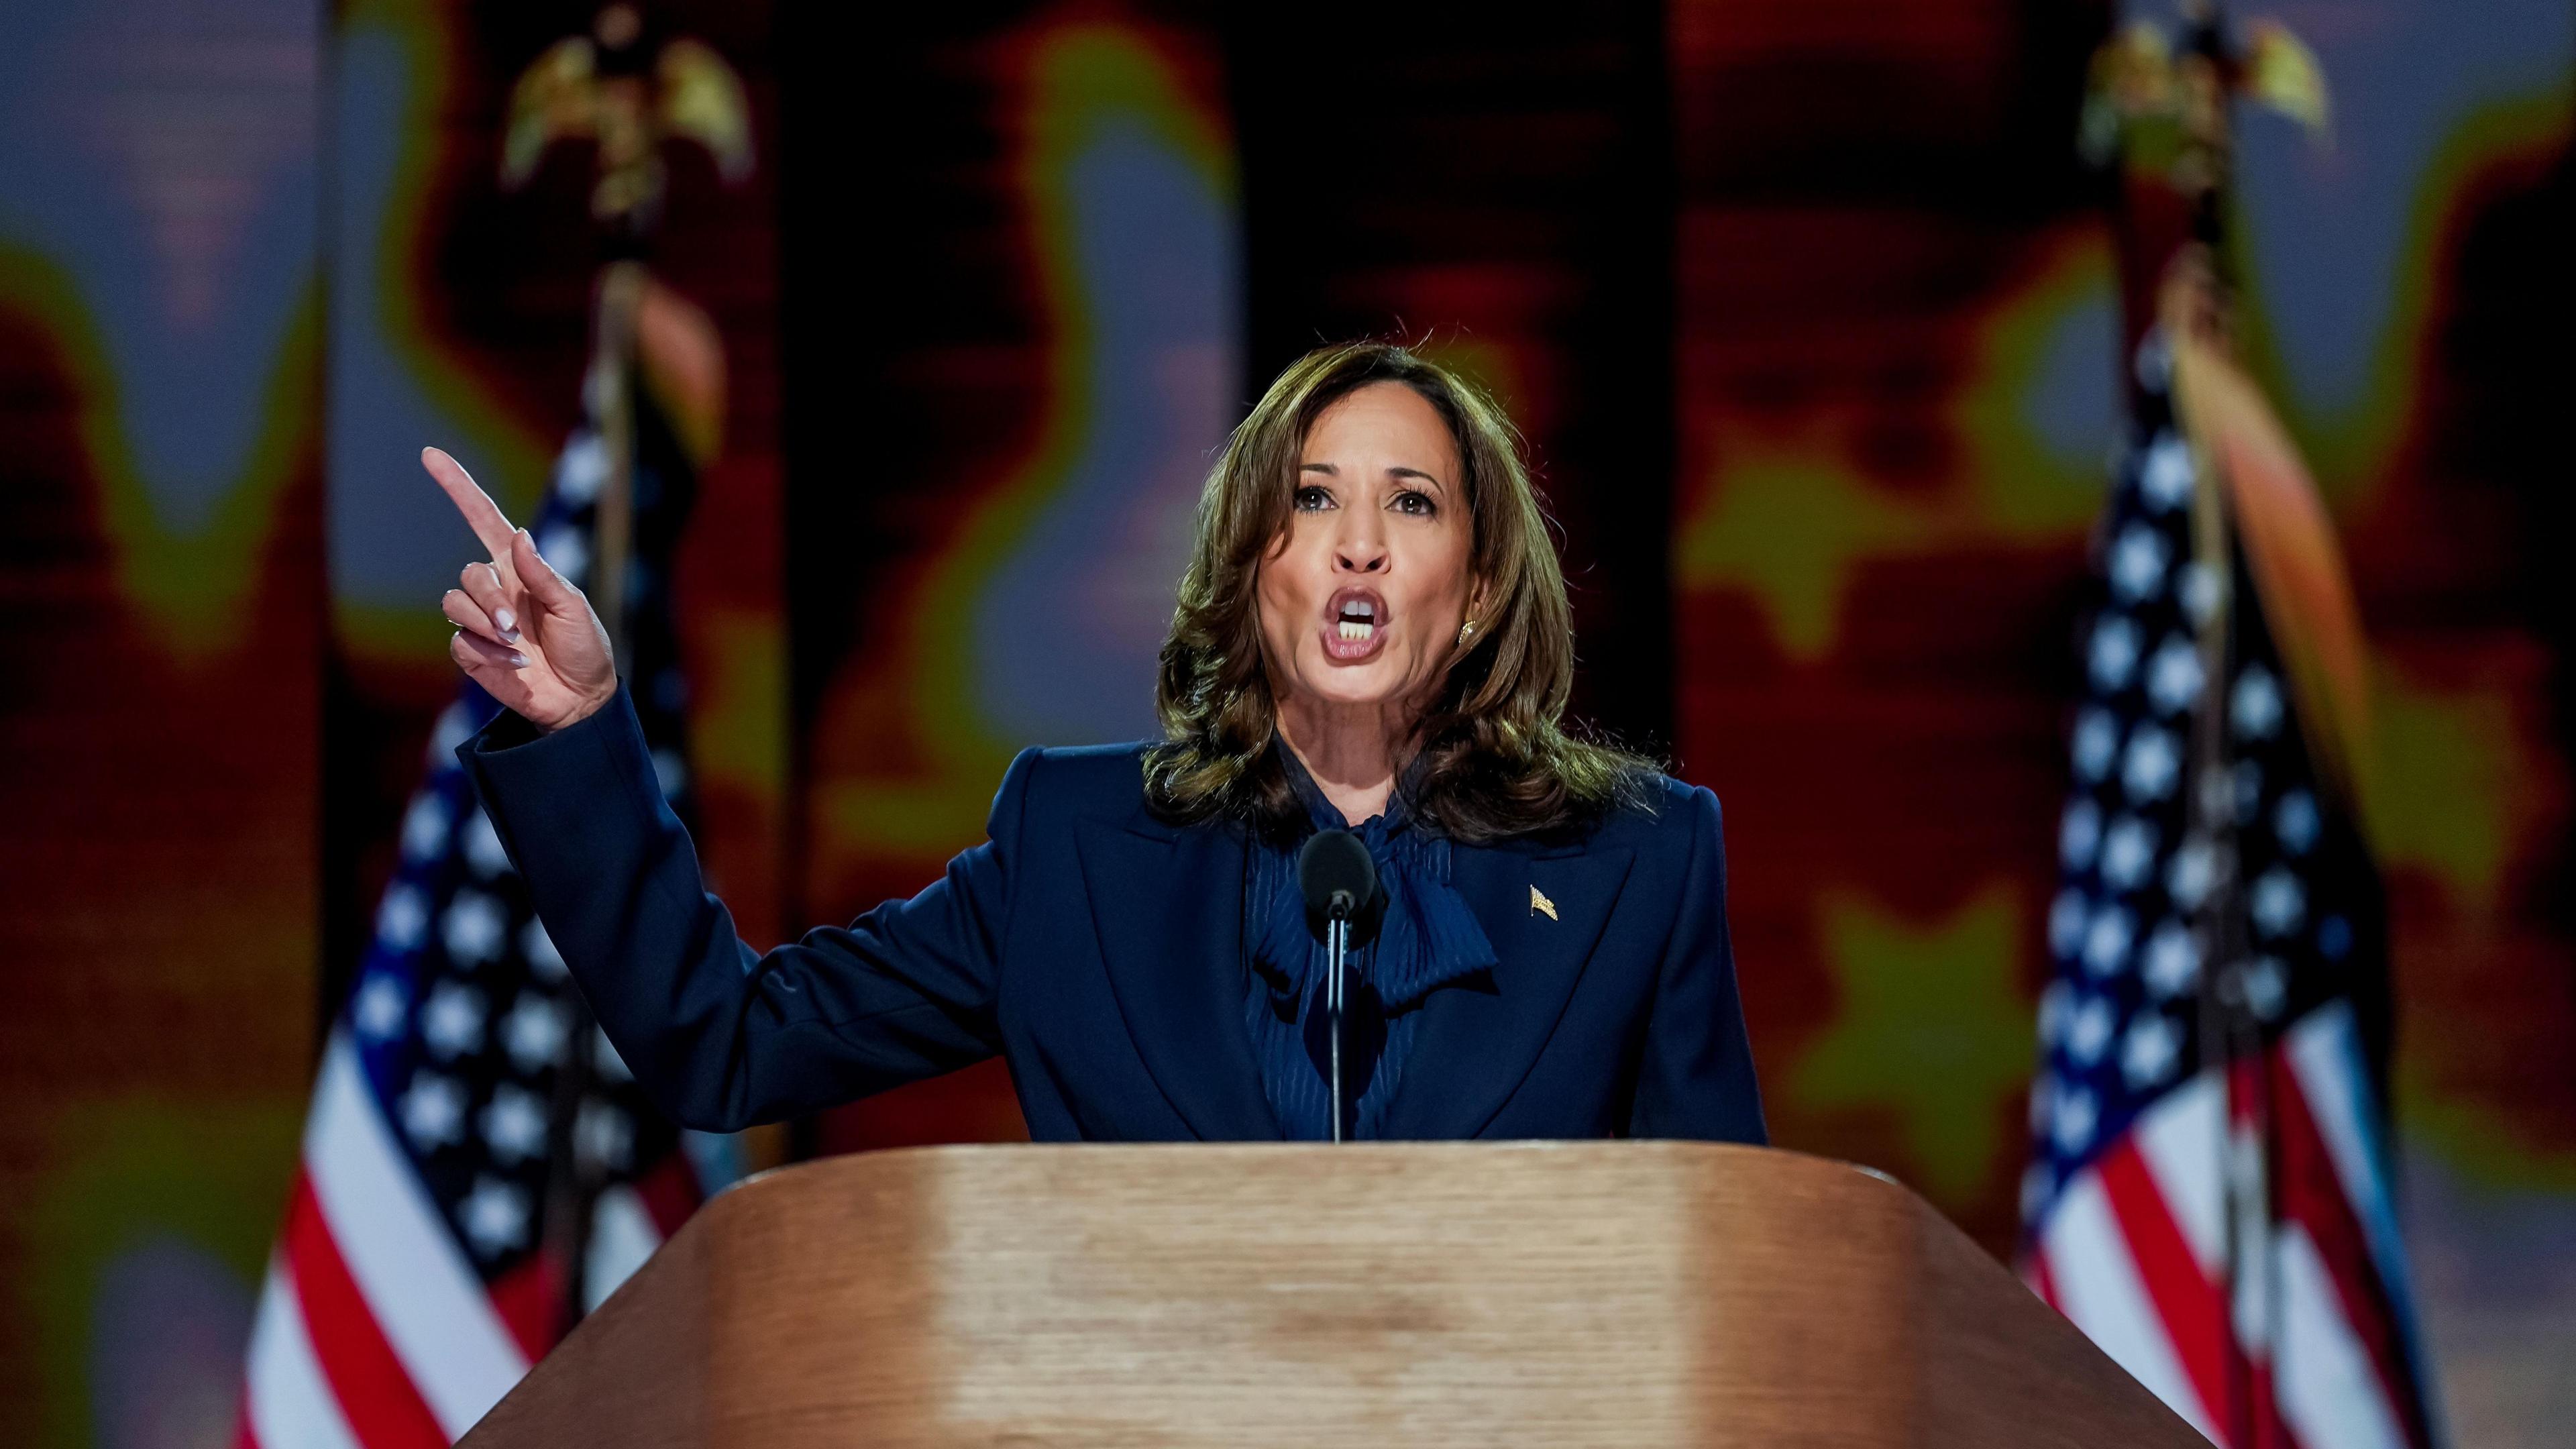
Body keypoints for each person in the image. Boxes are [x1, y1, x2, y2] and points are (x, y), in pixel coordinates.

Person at [434, 341, 1764, 1144]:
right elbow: (725, 1042)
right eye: (1312, 501)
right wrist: (586, 733)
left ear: (1475, 596)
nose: (1359, 541)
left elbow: (1734, 1267)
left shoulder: (1634, 866)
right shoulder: (1076, 852)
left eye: (1411, 503)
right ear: (1258, 571)